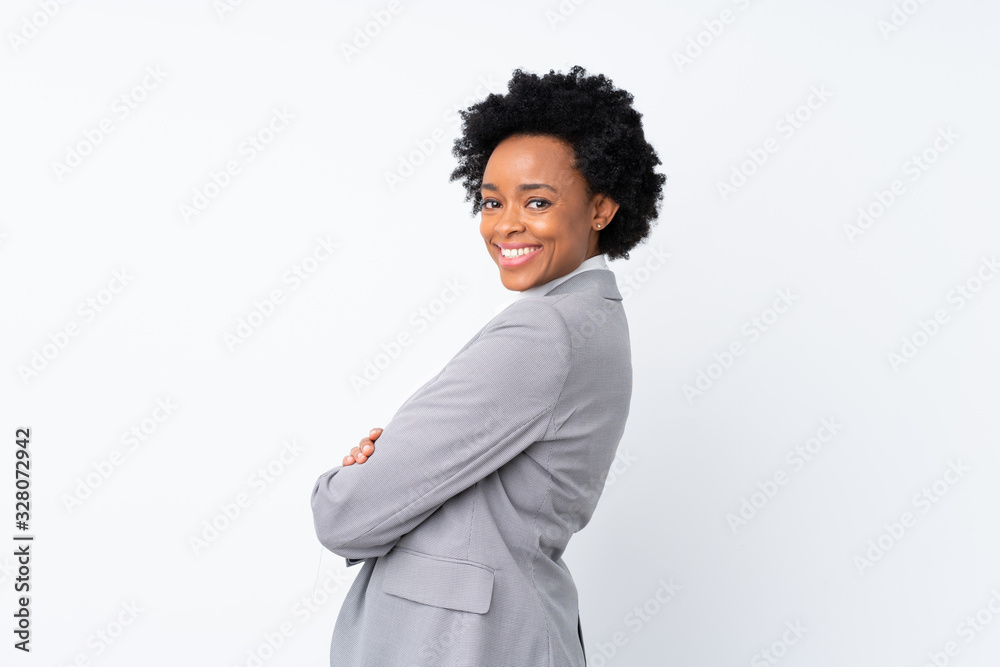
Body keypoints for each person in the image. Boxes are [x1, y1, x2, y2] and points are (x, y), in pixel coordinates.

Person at [311, 65, 665, 667]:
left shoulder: (543, 331)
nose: (506, 224)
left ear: (601, 208)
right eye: (492, 201)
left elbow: (345, 516)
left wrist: (351, 481)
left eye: (538, 201)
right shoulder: (591, 319)